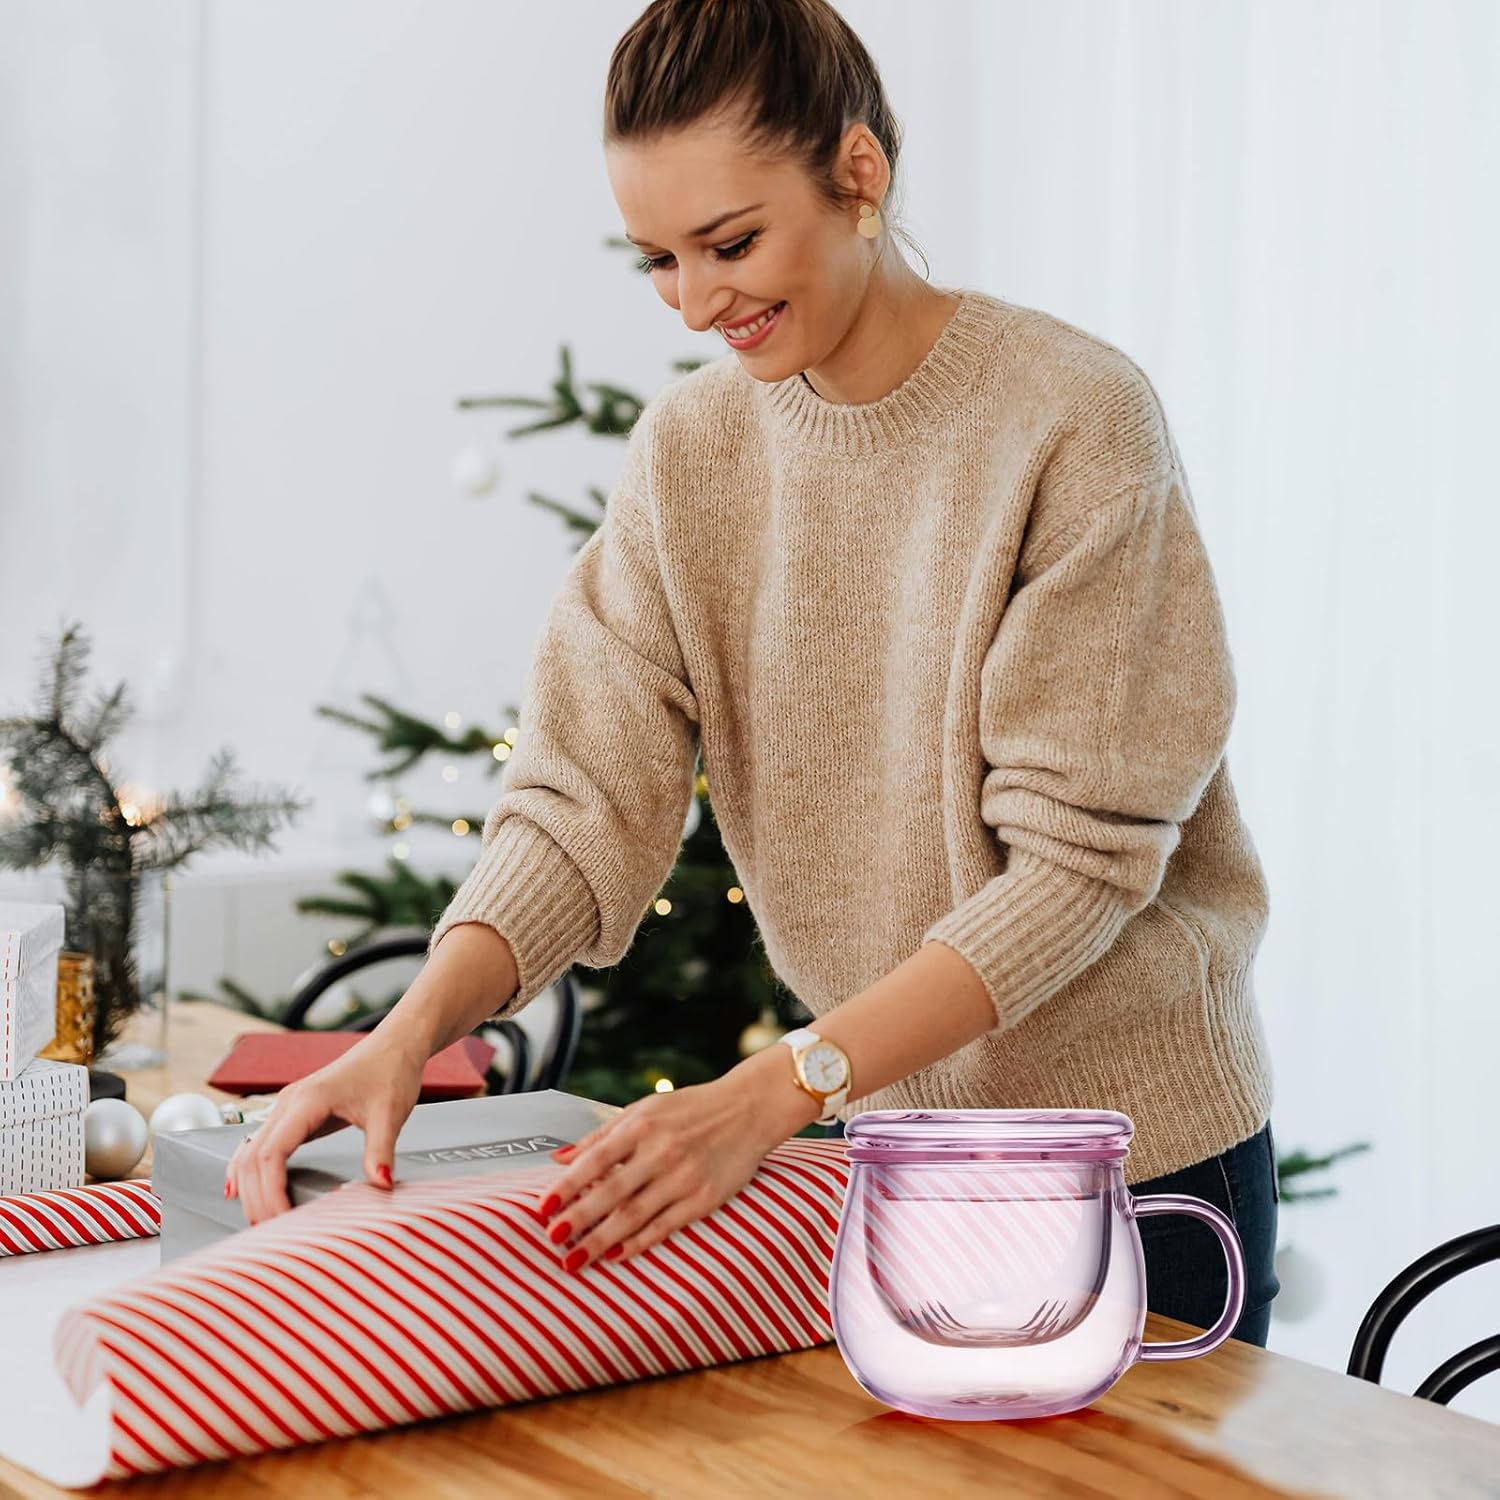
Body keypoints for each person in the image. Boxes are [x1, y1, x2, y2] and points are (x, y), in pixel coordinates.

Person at [228, 0, 1281, 1346]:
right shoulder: (691, 454)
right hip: (893, 1153)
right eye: (657, 259)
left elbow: (1077, 870)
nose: (697, 299)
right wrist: (410, 1030)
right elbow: (579, 798)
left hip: (1129, 1169)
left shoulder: (1074, 418)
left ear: (859, 172)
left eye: (730, 242)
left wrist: (776, 1090)